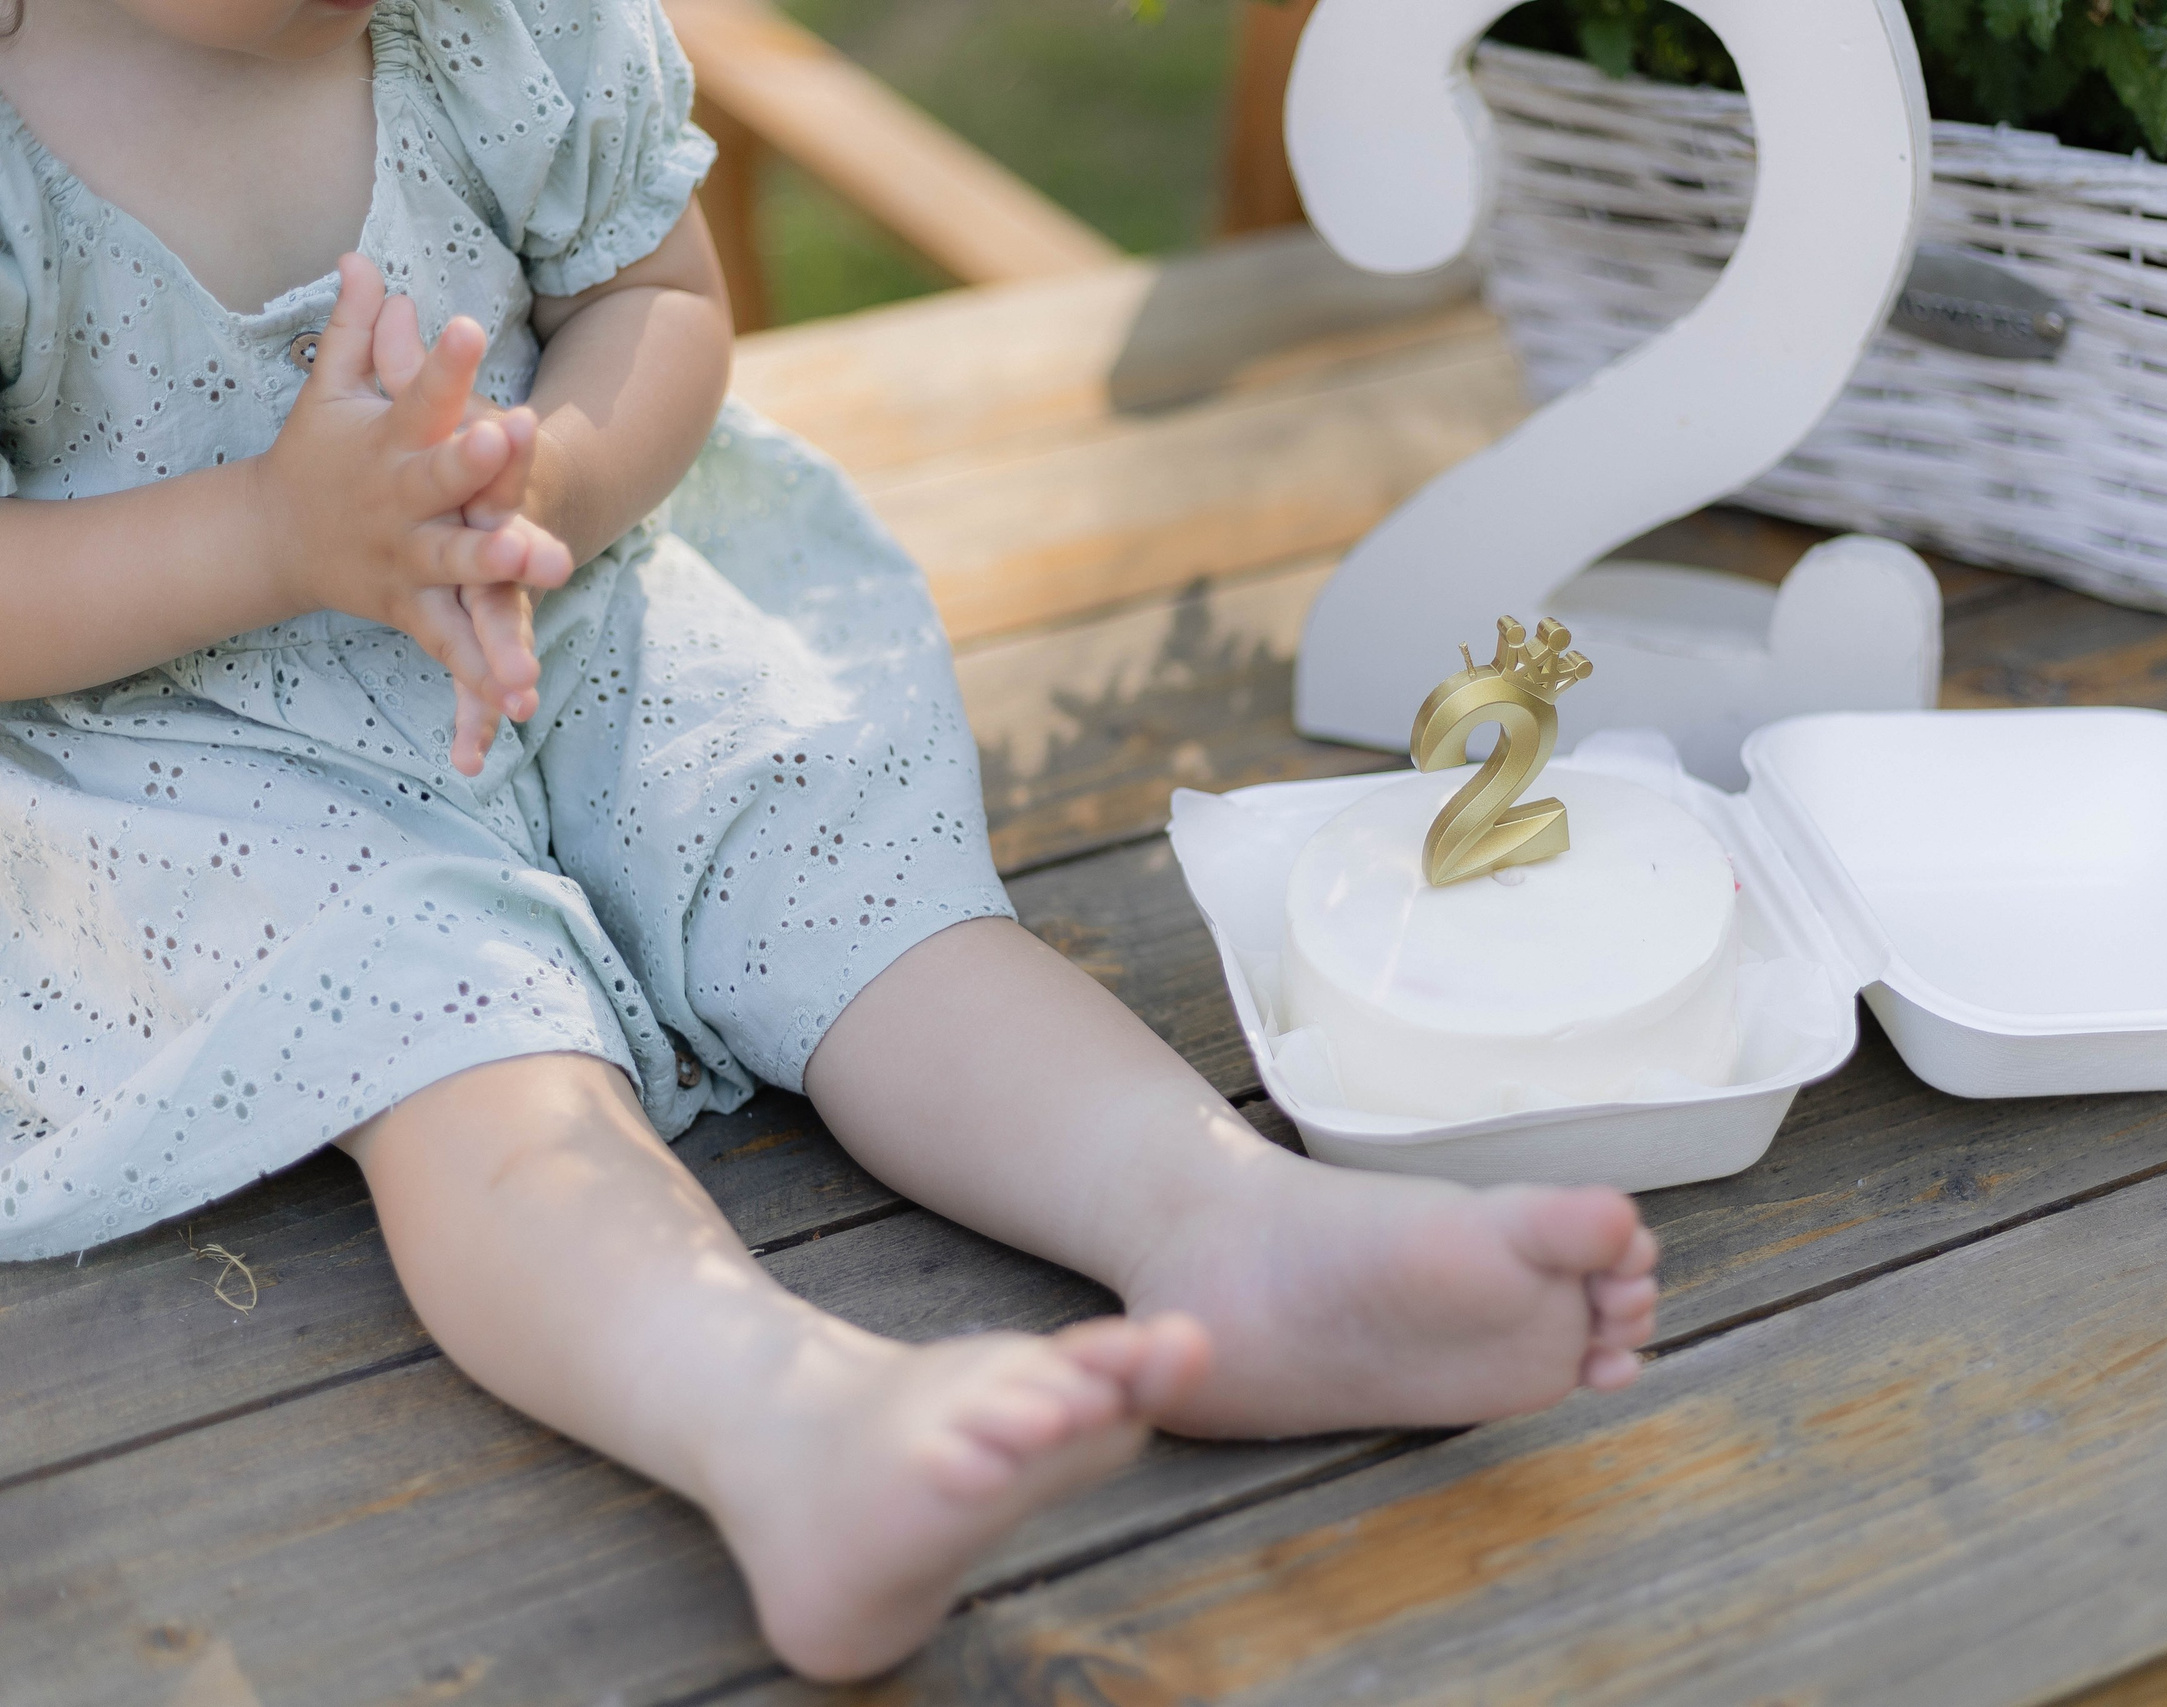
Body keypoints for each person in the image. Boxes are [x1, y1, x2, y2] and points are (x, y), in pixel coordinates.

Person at [0, 0, 1660, 1678]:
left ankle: (1223, 1224)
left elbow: (651, 303)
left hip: (561, 608)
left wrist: (543, 488)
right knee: (460, 1050)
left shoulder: (505, 28)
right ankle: (776, 1420)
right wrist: (276, 536)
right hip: (189, 734)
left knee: (842, 874)